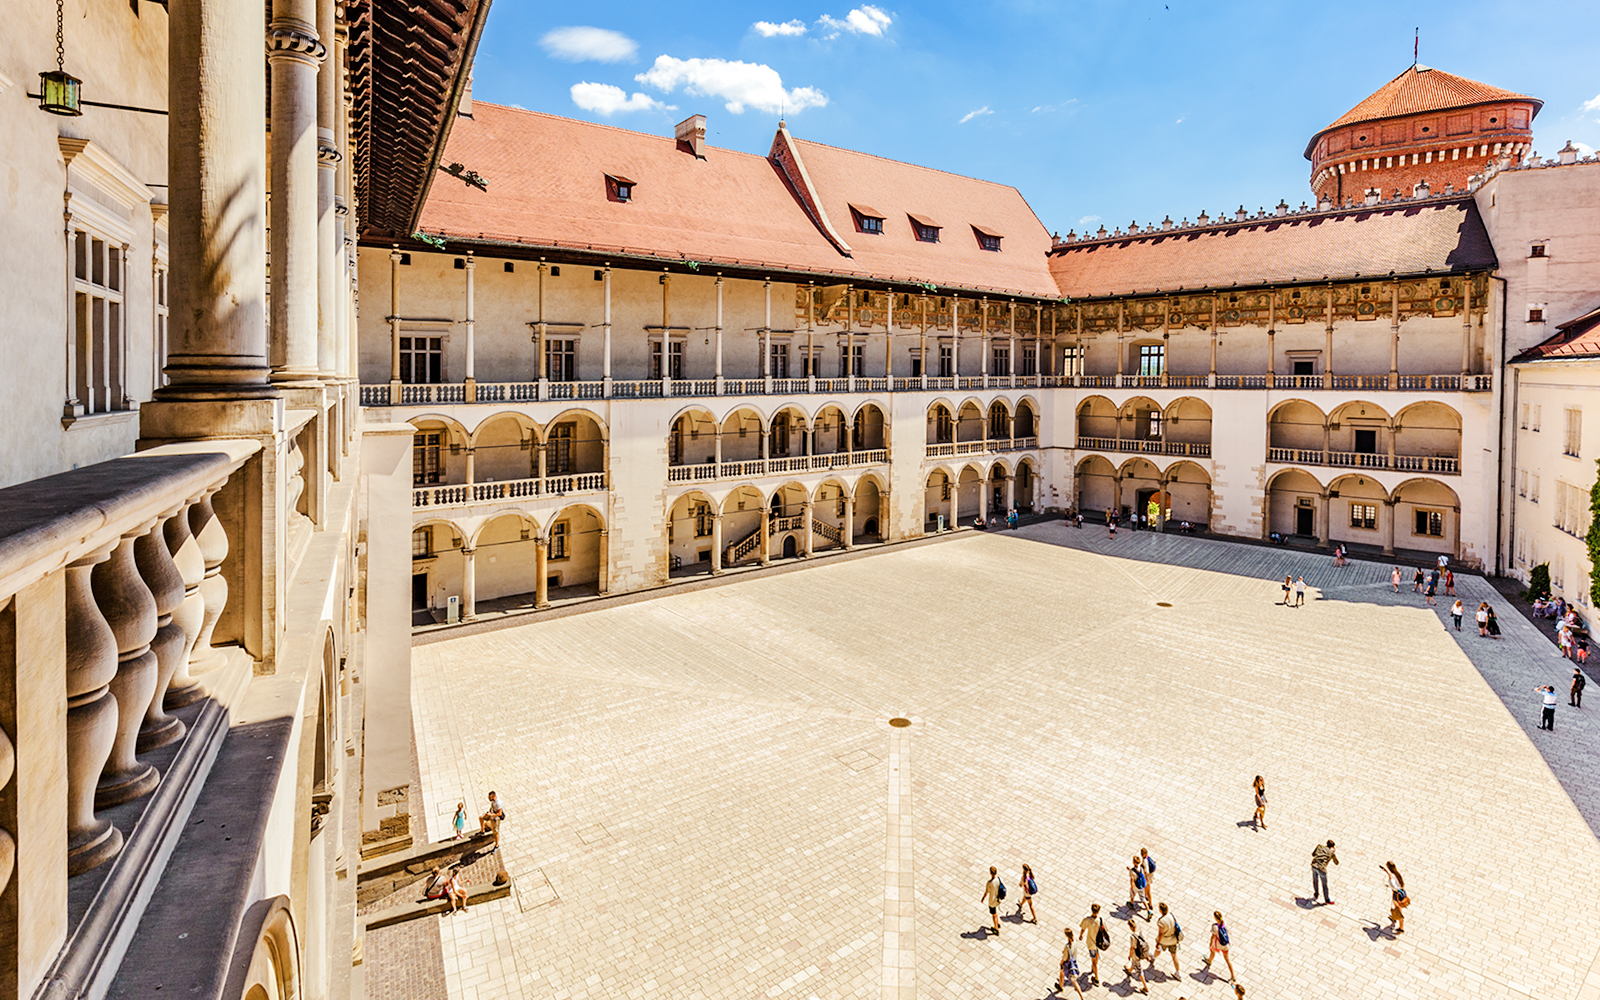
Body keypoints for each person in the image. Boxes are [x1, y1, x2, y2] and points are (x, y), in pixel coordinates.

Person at [1080, 903, 1108, 986]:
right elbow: (1105, 930)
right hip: (1098, 943)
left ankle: (1096, 978)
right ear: (1098, 911)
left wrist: (1081, 935)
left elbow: (1083, 928)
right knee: (1096, 955)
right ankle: (1095, 963)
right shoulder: (1101, 920)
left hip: (1091, 944)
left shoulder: (1087, 920)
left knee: (1094, 962)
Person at [1204, 910, 1236, 982]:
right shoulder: (1225, 924)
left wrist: (1210, 944)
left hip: (1217, 945)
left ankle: (1209, 961)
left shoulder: (1215, 927)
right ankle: (1233, 976)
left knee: (1212, 951)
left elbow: (1213, 937)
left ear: (1215, 918)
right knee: (1227, 960)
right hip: (1225, 945)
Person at [1154, 901, 1181, 977]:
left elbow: (1161, 933)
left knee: (1158, 949)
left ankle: (1153, 957)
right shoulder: (1171, 916)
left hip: (1164, 941)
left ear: (1160, 910)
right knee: (1174, 956)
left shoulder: (1161, 921)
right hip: (1173, 940)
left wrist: (1158, 943)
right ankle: (1178, 973)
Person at [1123, 918, 1150, 994]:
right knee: (1134, 963)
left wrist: (1129, 955)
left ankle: (1145, 987)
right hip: (1142, 952)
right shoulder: (1140, 933)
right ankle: (1129, 970)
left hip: (1136, 955)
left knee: (1139, 970)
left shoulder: (1132, 937)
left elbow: (1132, 948)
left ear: (1131, 927)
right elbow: (1145, 943)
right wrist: (1147, 955)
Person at [1057, 927, 1085, 998]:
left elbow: (1065, 957)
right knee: (1061, 972)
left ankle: (1082, 997)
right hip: (1073, 961)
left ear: (1066, 936)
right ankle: (1060, 986)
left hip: (1068, 964)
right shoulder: (1074, 942)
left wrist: (1061, 962)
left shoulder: (1067, 946)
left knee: (1074, 981)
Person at [1383, 861, 1407, 933]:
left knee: (1398, 910)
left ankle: (1401, 927)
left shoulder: (1392, 876)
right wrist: (1387, 872)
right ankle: (1394, 917)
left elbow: (1394, 886)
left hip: (1397, 895)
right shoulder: (1397, 874)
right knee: (1397, 908)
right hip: (1402, 893)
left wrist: (1394, 889)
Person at [1311, 840, 1338, 904]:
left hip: (1314, 865)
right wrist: (1332, 852)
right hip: (1321, 869)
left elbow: (1313, 854)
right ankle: (1327, 899)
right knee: (1324, 885)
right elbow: (1336, 862)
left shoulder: (1319, 846)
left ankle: (1316, 894)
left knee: (1315, 881)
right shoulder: (1331, 852)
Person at [981, 866, 1002, 935]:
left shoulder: (989, 883)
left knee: (993, 915)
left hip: (992, 901)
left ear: (990, 873)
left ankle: (996, 929)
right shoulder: (998, 880)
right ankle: (997, 923)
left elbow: (986, 892)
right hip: (997, 899)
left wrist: (983, 898)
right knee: (995, 912)